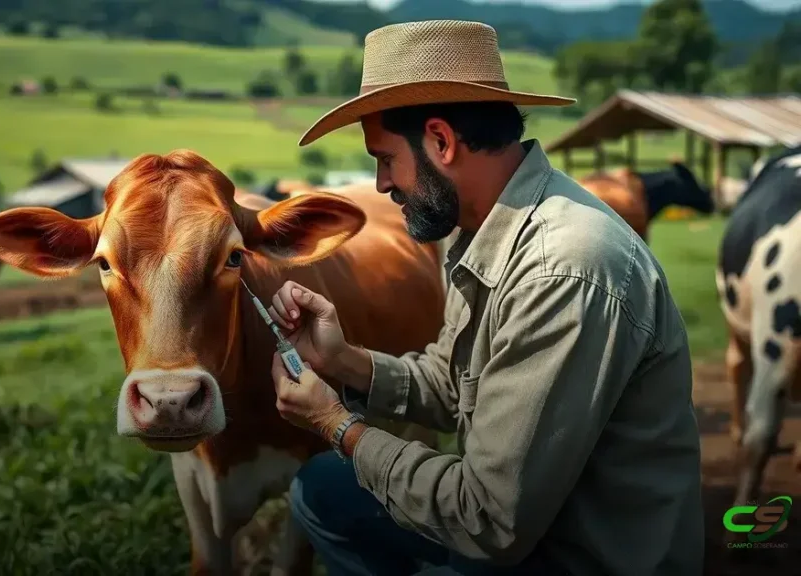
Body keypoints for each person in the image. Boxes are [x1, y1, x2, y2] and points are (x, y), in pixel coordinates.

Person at [264, 20, 705, 576]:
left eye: (384, 158)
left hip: (577, 557)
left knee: (329, 489)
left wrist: (336, 425)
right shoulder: (485, 230)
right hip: (534, 531)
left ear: (442, 142)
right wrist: (343, 361)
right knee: (322, 489)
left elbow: (486, 518)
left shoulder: (559, 273)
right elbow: (454, 384)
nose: (380, 184)